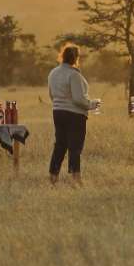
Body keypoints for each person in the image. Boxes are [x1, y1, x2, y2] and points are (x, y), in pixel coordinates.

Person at [47, 42, 99, 184]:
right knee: (75, 147)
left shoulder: (53, 73)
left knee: (60, 145)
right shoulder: (74, 75)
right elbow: (78, 99)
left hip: (57, 112)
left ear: (62, 56)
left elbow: (51, 95)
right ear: (76, 58)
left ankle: (53, 176)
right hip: (75, 115)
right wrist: (91, 104)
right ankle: (76, 178)